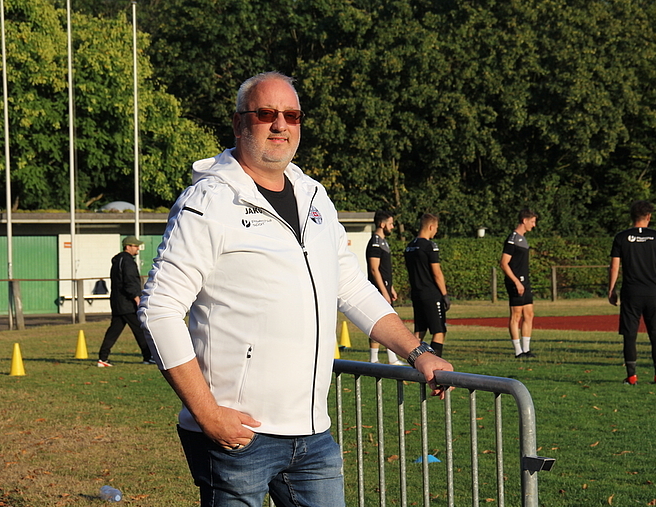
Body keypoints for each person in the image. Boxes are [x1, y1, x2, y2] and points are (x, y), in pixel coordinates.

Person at [138, 71, 453, 507]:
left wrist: (416, 351)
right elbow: (159, 309)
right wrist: (208, 416)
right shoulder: (210, 201)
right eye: (266, 113)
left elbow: (352, 288)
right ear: (238, 123)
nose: (280, 125)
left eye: (292, 115)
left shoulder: (315, 196)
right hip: (238, 437)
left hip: (312, 436)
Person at [608, 200, 656, 385]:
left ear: (632, 217)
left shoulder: (621, 237)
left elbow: (614, 267)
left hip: (630, 292)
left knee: (630, 335)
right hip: (653, 293)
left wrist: (611, 290)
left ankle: (631, 377)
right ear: (648, 217)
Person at [97, 235, 153, 367]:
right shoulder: (127, 261)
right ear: (128, 246)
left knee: (114, 331)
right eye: (135, 246)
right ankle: (148, 357)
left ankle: (102, 358)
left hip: (117, 302)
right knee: (140, 329)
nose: (138, 248)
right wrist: (136, 298)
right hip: (127, 303)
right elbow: (129, 281)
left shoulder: (118, 261)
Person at [404, 213, 450, 357]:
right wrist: (444, 295)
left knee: (419, 330)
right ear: (431, 227)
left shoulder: (409, 247)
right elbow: (436, 273)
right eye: (436, 228)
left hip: (416, 294)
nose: (436, 231)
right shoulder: (429, 246)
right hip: (431, 294)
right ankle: (435, 365)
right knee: (439, 331)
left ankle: (411, 364)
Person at [366, 211, 406, 365]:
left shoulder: (384, 242)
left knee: (390, 322)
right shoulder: (375, 242)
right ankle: (374, 359)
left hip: (386, 289)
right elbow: (375, 269)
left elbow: (385, 270)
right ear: (382, 224)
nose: (392, 226)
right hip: (379, 291)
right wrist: (383, 292)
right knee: (378, 322)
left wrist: (391, 289)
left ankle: (392, 358)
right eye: (390, 223)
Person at [499, 209, 538, 359]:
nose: (534, 225)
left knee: (529, 314)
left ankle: (526, 349)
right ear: (524, 220)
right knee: (516, 315)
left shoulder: (523, 239)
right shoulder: (512, 238)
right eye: (532, 221)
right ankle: (518, 351)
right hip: (516, 283)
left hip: (525, 282)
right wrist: (516, 282)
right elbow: (504, 263)